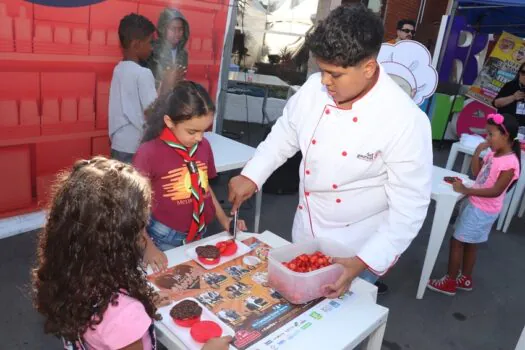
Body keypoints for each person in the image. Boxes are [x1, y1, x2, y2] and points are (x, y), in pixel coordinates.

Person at [228, 5, 432, 298]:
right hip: (307, 229)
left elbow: (409, 207)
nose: (324, 81)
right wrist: (252, 174)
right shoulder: (314, 90)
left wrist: (362, 262)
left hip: (356, 246)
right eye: (322, 70)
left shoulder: (405, 120)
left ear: (369, 68)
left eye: (334, 74)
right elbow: (285, 134)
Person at [32, 157, 232, 350]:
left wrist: (141, 304)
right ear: (123, 238)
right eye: (143, 223)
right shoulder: (123, 317)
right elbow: (117, 322)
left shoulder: (71, 271)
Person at [133, 81, 247, 270]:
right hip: (163, 238)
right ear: (169, 122)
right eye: (192, 131)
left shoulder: (203, 147)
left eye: (204, 130)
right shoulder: (148, 153)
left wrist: (224, 219)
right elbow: (133, 207)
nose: (200, 138)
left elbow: (204, 186)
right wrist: (147, 246)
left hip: (200, 233)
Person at [428, 113, 521, 296]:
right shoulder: (494, 154)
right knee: (471, 243)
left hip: (481, 210)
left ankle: (450, 281)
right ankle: (466, 278)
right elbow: (478, 173)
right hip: (478, 206)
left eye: (491, 134)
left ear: (506, 136)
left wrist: (466, 190)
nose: (488, 138)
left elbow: (496, 191)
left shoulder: (510, 163)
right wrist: (478, 152)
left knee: (457, 242)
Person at [109, 14, 181, 164]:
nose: (151, 48)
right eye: (149, 43)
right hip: (134, 147)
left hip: (118, 144)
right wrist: (168, 84)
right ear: (136, 45)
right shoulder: (143, 73)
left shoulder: (119, 69)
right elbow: (153, 113)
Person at [147, 8, 190, 87]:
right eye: (173, 29)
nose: (177, 33)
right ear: (163, 29)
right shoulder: (152, 50)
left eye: (180, 29)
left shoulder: (184, 54)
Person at [493, 62, 525, 126]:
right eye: (523, 72)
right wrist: (513, 97)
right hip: (504, 126)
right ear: (519, 73)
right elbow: (496, 103)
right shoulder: (510, 85)